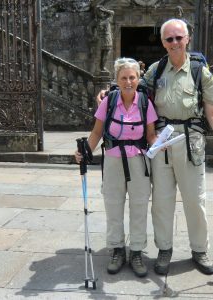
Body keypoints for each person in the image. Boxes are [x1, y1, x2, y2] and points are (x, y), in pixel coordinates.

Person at [141, 19, 213, 275]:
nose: (174, 43)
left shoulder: (200, 72)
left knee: (195, 200)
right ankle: (164, 249)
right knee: (161, 201)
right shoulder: (155, 71)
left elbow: (211, 111)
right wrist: (109, 94)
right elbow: (135, 92)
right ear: (163, 42)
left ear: (187, 39)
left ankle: (199, 250)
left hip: (191, 141)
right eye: (169, 39)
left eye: (178, 38)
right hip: (161, 142)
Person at [75, 58, 157, 277]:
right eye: (124, 78)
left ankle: (137, 251)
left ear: (138, 79)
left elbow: (150, 135)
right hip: (112, 160)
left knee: (139, 206)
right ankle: (117, 250)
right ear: (117, 80)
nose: (128, 82)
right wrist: (85, 152)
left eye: (132, 77)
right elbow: (96, 132)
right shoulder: (109, 101)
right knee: (113, 206)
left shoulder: (145, 103)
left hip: (139, 161)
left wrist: (162, 144)